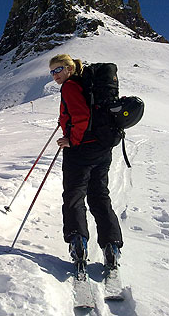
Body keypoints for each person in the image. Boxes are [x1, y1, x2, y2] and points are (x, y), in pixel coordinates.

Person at [48, 54, 122, 270]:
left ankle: (77, 242)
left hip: (81, 150)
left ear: (70, 69)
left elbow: (81, 116)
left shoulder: (70, 86)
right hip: (102, 147)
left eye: (58, 69)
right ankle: (112, 246)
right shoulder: (86, 84)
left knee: (74, 195)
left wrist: (72, 139)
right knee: (99, 195)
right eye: (52, 72)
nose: (55, 75)